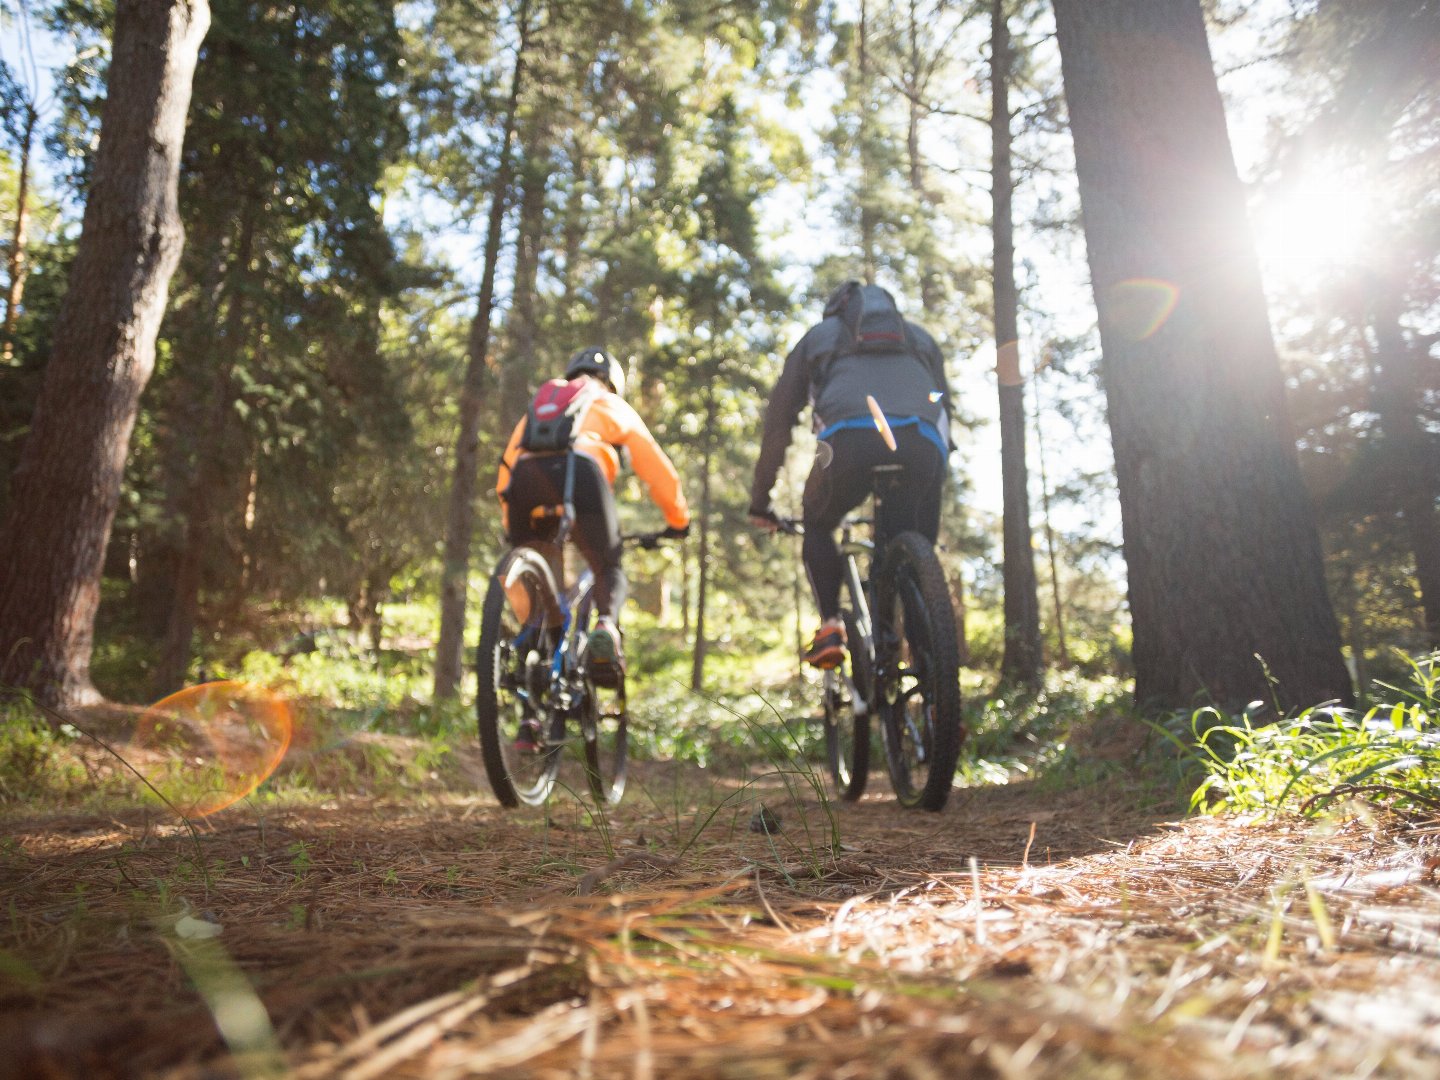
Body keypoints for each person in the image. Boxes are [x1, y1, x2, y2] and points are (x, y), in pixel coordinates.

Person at [749, 281, 951, 669]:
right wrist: (938, 457)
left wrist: (761, 499)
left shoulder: (818, 338)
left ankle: (830, 626)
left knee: (819, 523)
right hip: (922, 443)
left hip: (845, 444)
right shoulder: (919, 338)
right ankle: (935, 670)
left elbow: (779, 422)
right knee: (911, 548)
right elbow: (942, 400)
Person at [497, 346, 690, 697]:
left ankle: (530, 713)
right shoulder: (607, 400)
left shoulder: (543, 403)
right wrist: (678, 519)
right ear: (611, 382)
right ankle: (605, 627)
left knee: (541, 598)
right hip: (583, 475)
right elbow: (652, 462)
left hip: (526, 479)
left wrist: (511, 523)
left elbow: (509, 462)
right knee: (608, 566)